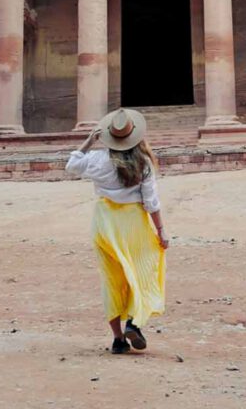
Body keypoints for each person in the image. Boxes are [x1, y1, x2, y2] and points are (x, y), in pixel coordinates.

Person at [66, 107, 169, 354]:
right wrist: (161, 231)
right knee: (144, 269)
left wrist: (89, 140)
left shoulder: (96, 161)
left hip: (104, 223)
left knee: (111, 278)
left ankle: (118, 340)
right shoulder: (142, 163)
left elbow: (72, 164)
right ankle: (135, 321)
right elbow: (150, 202)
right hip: (133, 222)